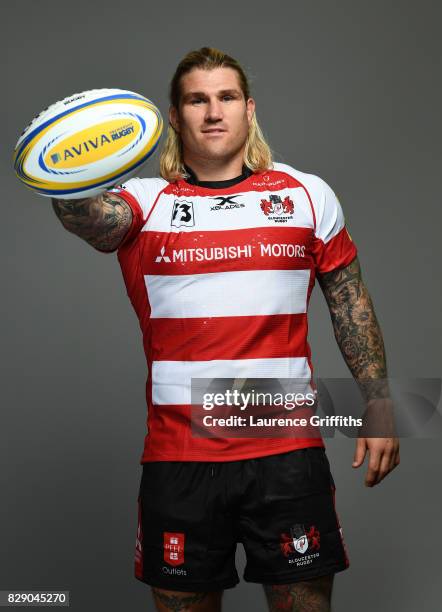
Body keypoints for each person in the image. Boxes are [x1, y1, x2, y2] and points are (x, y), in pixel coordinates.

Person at [51, 47, 400, 612]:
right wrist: (59, 167)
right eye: (197, 99)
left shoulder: (306, 195)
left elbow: (351, 303)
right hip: (179, 458)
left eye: (226, 97)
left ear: (249, 108)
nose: (213, 112)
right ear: (175, 115)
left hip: (286, 454)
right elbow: (88, 219)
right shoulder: (144, 201)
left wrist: (379, 407)